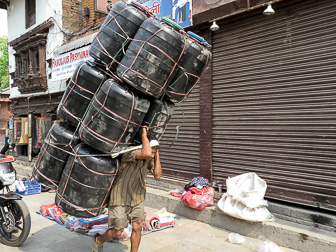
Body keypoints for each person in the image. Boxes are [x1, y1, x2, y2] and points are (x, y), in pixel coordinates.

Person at [92, 126, 161, 252]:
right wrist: (144, 136)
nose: (151, 155)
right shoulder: (130, 152)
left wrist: (157, 155)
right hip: (120, 197)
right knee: (118, 231)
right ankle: (99, 240)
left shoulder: (149, 159)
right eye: (151, 151)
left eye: (154, 153)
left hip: (138, 197)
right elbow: (145, 153)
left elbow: (157, 175)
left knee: (138, 227)